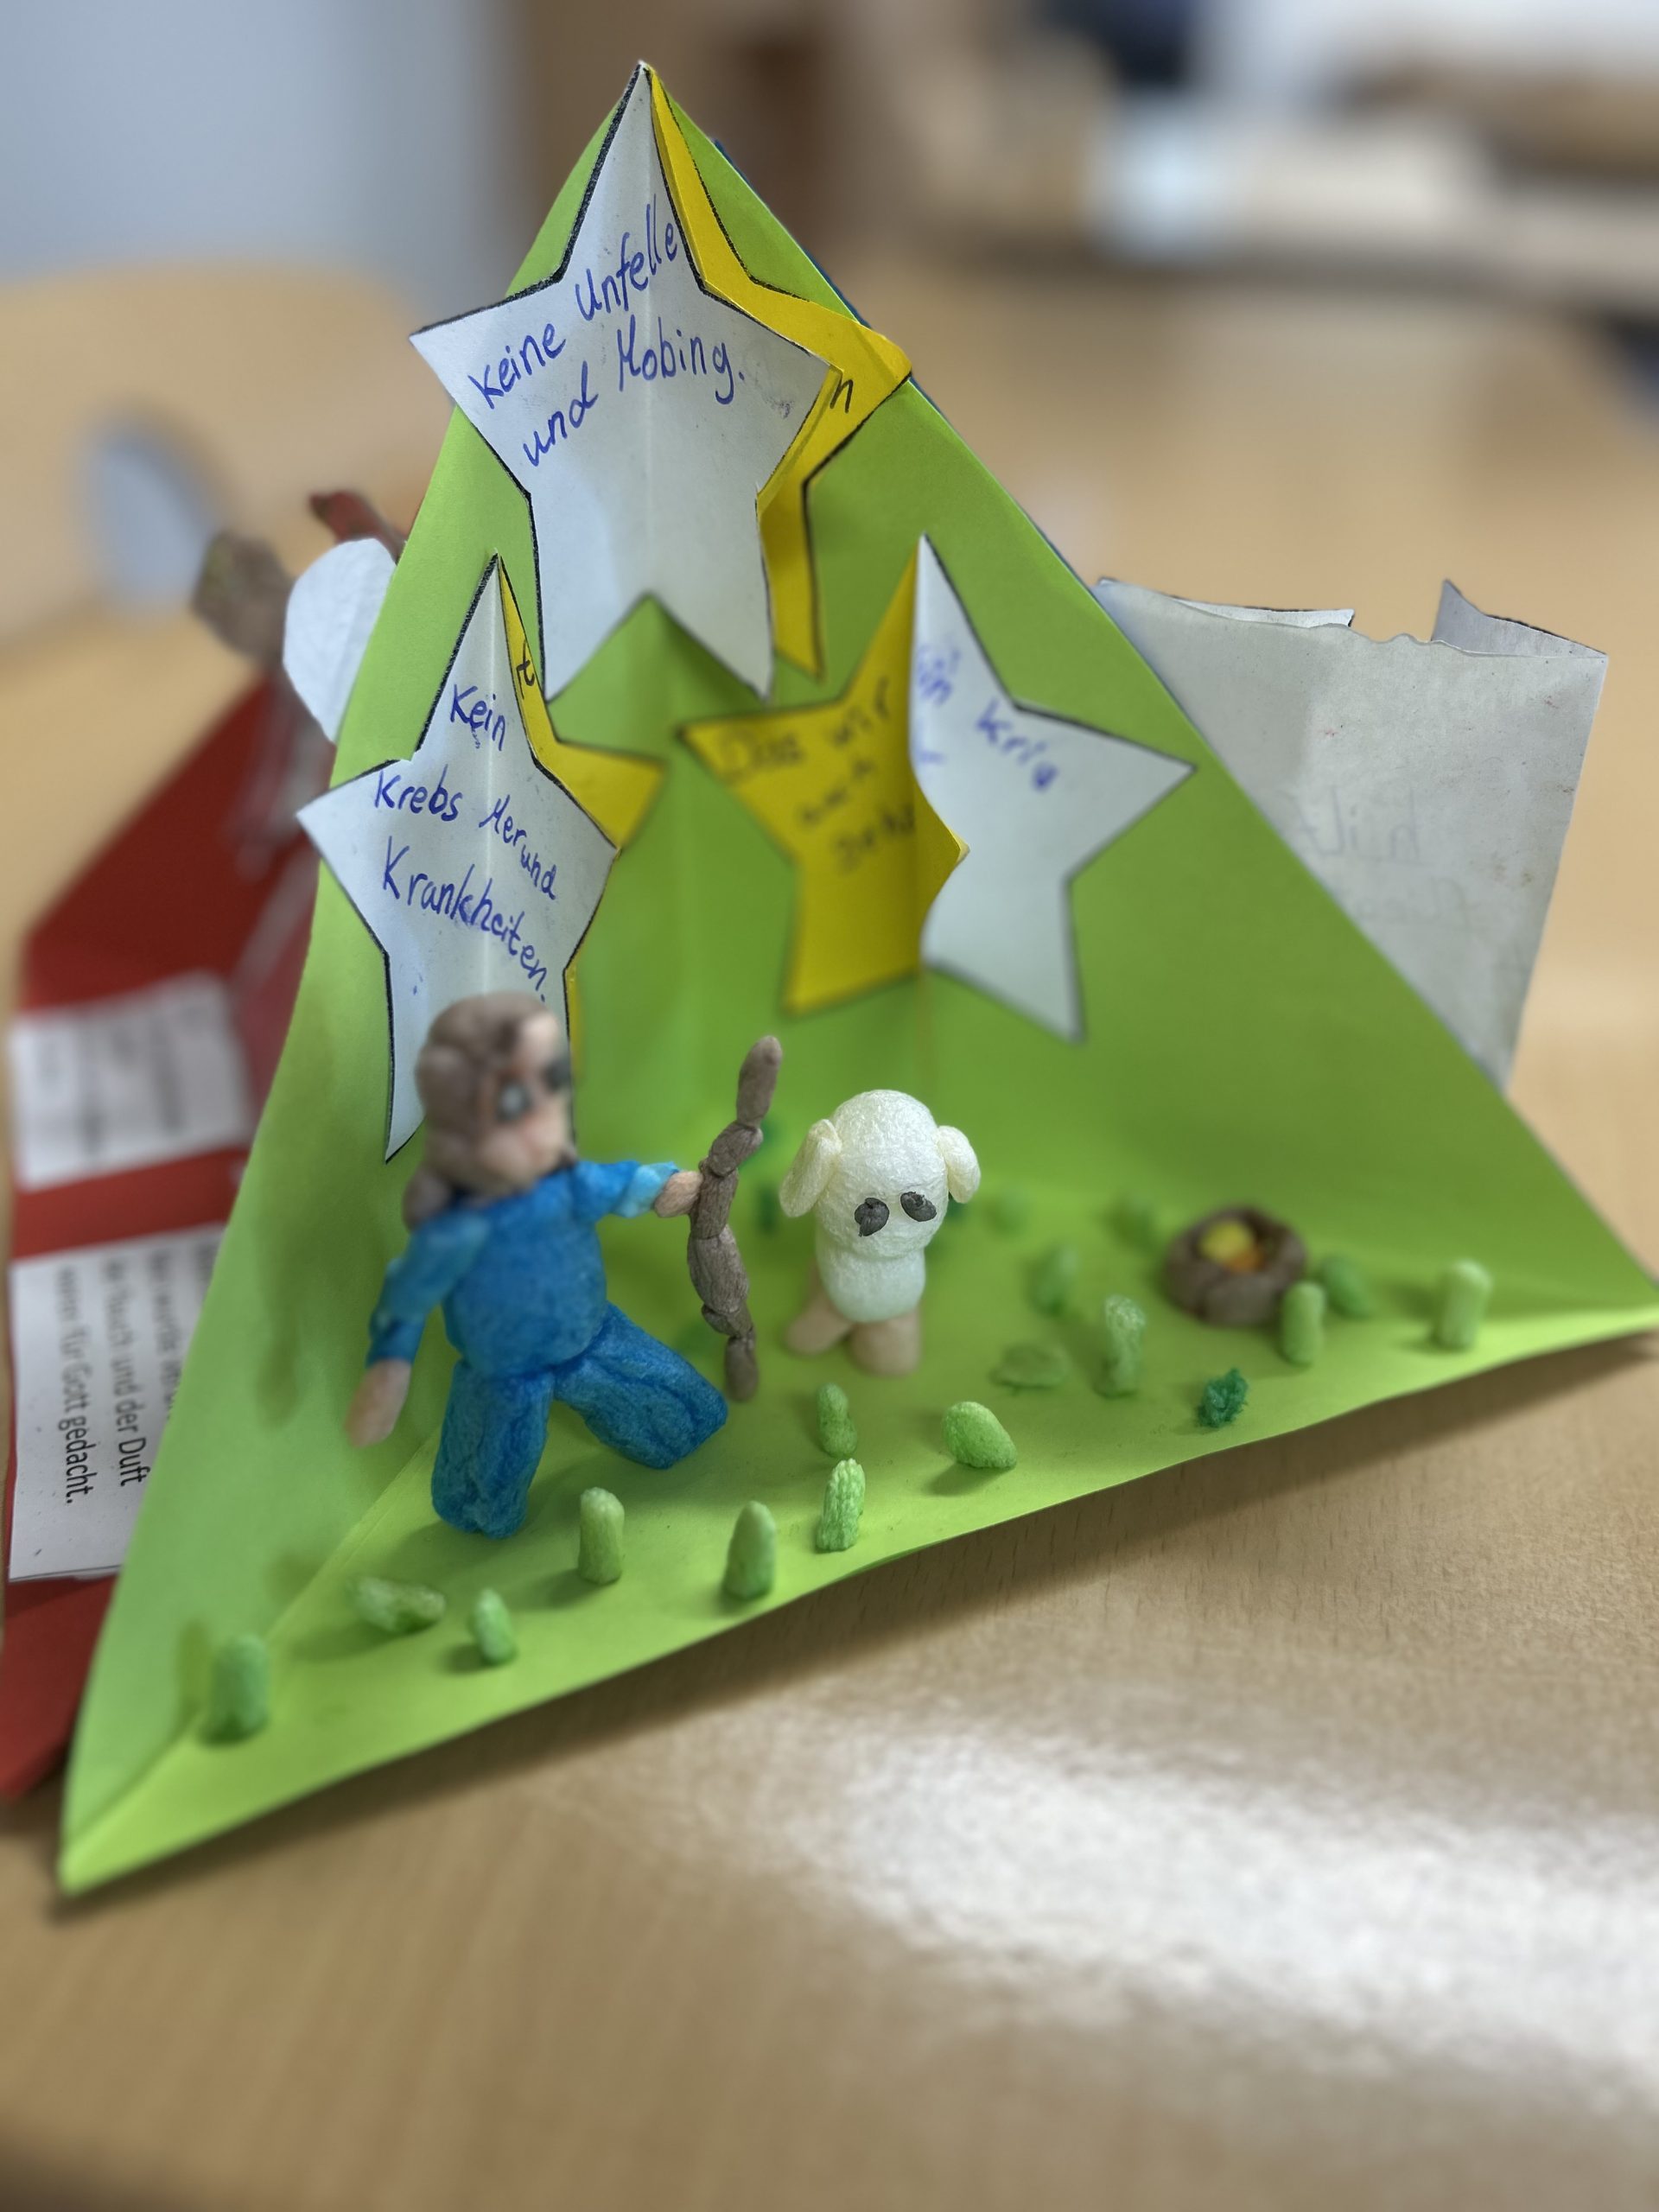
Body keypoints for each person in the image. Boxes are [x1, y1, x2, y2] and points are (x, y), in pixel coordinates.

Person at [346, 990, 724, 1537]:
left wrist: (662, 1187)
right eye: (516, 1103)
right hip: (503, 1372)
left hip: (593, 1338)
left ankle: (678, 1430)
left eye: (555, 1086)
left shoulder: (564, 1183)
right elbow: (408, 1296)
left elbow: (619, 1184)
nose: (546, 1120)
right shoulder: (457, 1227)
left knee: (671, 1407)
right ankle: (479, 1512)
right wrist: (389, 1369)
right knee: (484, 1471)